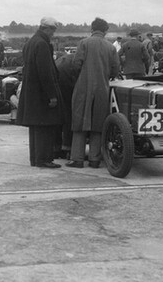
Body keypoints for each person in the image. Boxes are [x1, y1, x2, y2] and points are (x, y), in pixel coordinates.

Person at [67, 17, 120, 169]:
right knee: (98, 123)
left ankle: (77, 158)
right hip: (102, 89)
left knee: (79, 122)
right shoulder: (110, 47)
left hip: (83, 88)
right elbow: (116, 69)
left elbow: (76, 64)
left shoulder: (84, 43)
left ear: (92, 28)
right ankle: (94, 159)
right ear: (105, 31)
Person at [15, 17, 64, 168]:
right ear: (46, 29)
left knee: (35, 127)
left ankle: (35, 159)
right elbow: (45, 72)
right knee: (45, 126)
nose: (53, 34)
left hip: (31, 91)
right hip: (42, 93)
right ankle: (44, 159)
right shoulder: (42, 44)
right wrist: (52, 95)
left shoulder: (30, 42)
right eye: (53, 31)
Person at [55, 50, 80, 159]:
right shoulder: (76, 60)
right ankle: (68, 147)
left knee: (61, 112)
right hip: (68, 77)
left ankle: (56, 148)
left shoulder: (62, 60)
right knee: (70, 113)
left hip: (59, 78)